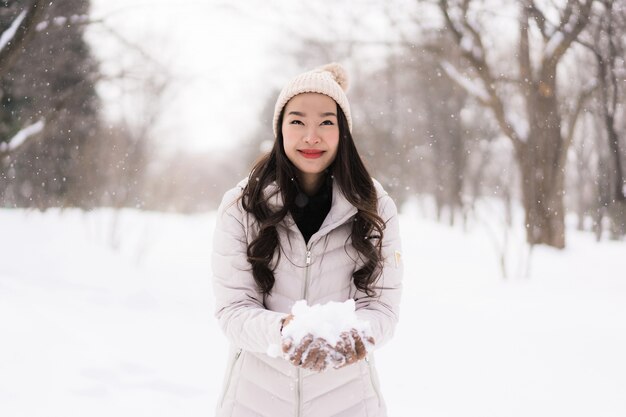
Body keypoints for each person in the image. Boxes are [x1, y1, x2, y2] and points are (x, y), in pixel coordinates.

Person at [211, 63, 403, 417]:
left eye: (326, 122)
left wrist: (357, 334)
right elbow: (233, 312)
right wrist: (284, 331)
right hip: (254, 403)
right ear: (280, 128)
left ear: (343, 131)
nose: (311, 136)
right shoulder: (241, 206)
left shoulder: (376, 208)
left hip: (350, 403)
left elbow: (383, 309)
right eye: (297, 121)